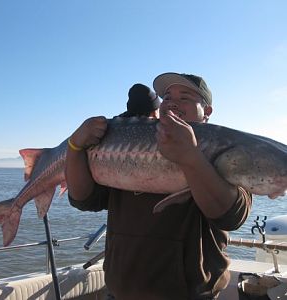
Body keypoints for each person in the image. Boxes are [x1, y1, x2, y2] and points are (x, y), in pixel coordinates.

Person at [65, 73, 252, 300]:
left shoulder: (225, 153)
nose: (172, 101)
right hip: (118, 293)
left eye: (185, 97)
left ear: (207, 112)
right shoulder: (130, 145)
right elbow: (83, 199)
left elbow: (231, 215)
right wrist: (74, 146)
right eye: (167, 96)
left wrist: (190, 156)